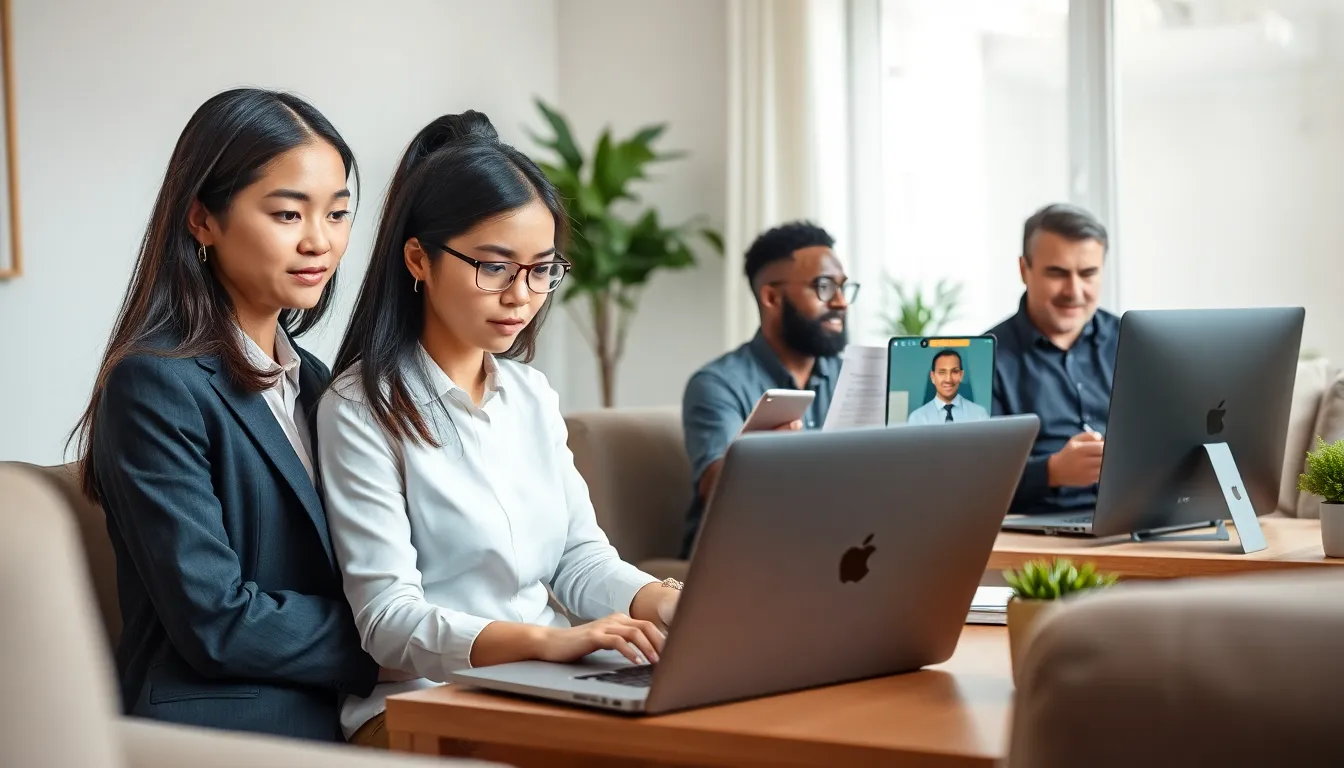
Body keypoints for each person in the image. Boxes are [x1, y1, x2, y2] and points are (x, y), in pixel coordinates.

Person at [316, 111, 682, 748]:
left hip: (546, 683)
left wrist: (664, 603)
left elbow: (579, 559)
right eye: (494, 267)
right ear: (418, 260)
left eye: (542, 269)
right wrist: (553, 642)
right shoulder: (360, 406)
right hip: (422, 703)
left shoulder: (530, 395)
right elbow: (388, 619)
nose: (522, 295)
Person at [69, 88, 380, 741]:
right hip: (223, 723)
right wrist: (396, 638)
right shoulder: (154, 384)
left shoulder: (318, 384)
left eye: (338, 213)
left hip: (332, 701)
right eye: (289, 215)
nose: (320, 242)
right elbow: (216, 620)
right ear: (202, 220)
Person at [680, 221, 858, 557]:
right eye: (823, 287)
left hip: (838, 544)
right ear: (772, 297)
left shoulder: (850, 375)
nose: (840, 302)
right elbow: (718, 492)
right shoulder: (718, 384)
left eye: (843, 288)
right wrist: (765, 456)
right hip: (742, 553)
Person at [987, 202, 1118, 516]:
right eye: (1057, 273)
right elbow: (970, 485)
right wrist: (1052, 472)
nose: (1074, 291)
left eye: (1088, 274)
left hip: (1136, 525)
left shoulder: (1134, 341)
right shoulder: (984, 359)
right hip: (1037, 537)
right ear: (1024, 270)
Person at [907, 349, 990, 425]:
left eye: (954, 371)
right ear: (933, 377)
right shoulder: (917, 418)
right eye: (942, 372)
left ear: (961, 375)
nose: (948, 379)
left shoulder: (979, 415)